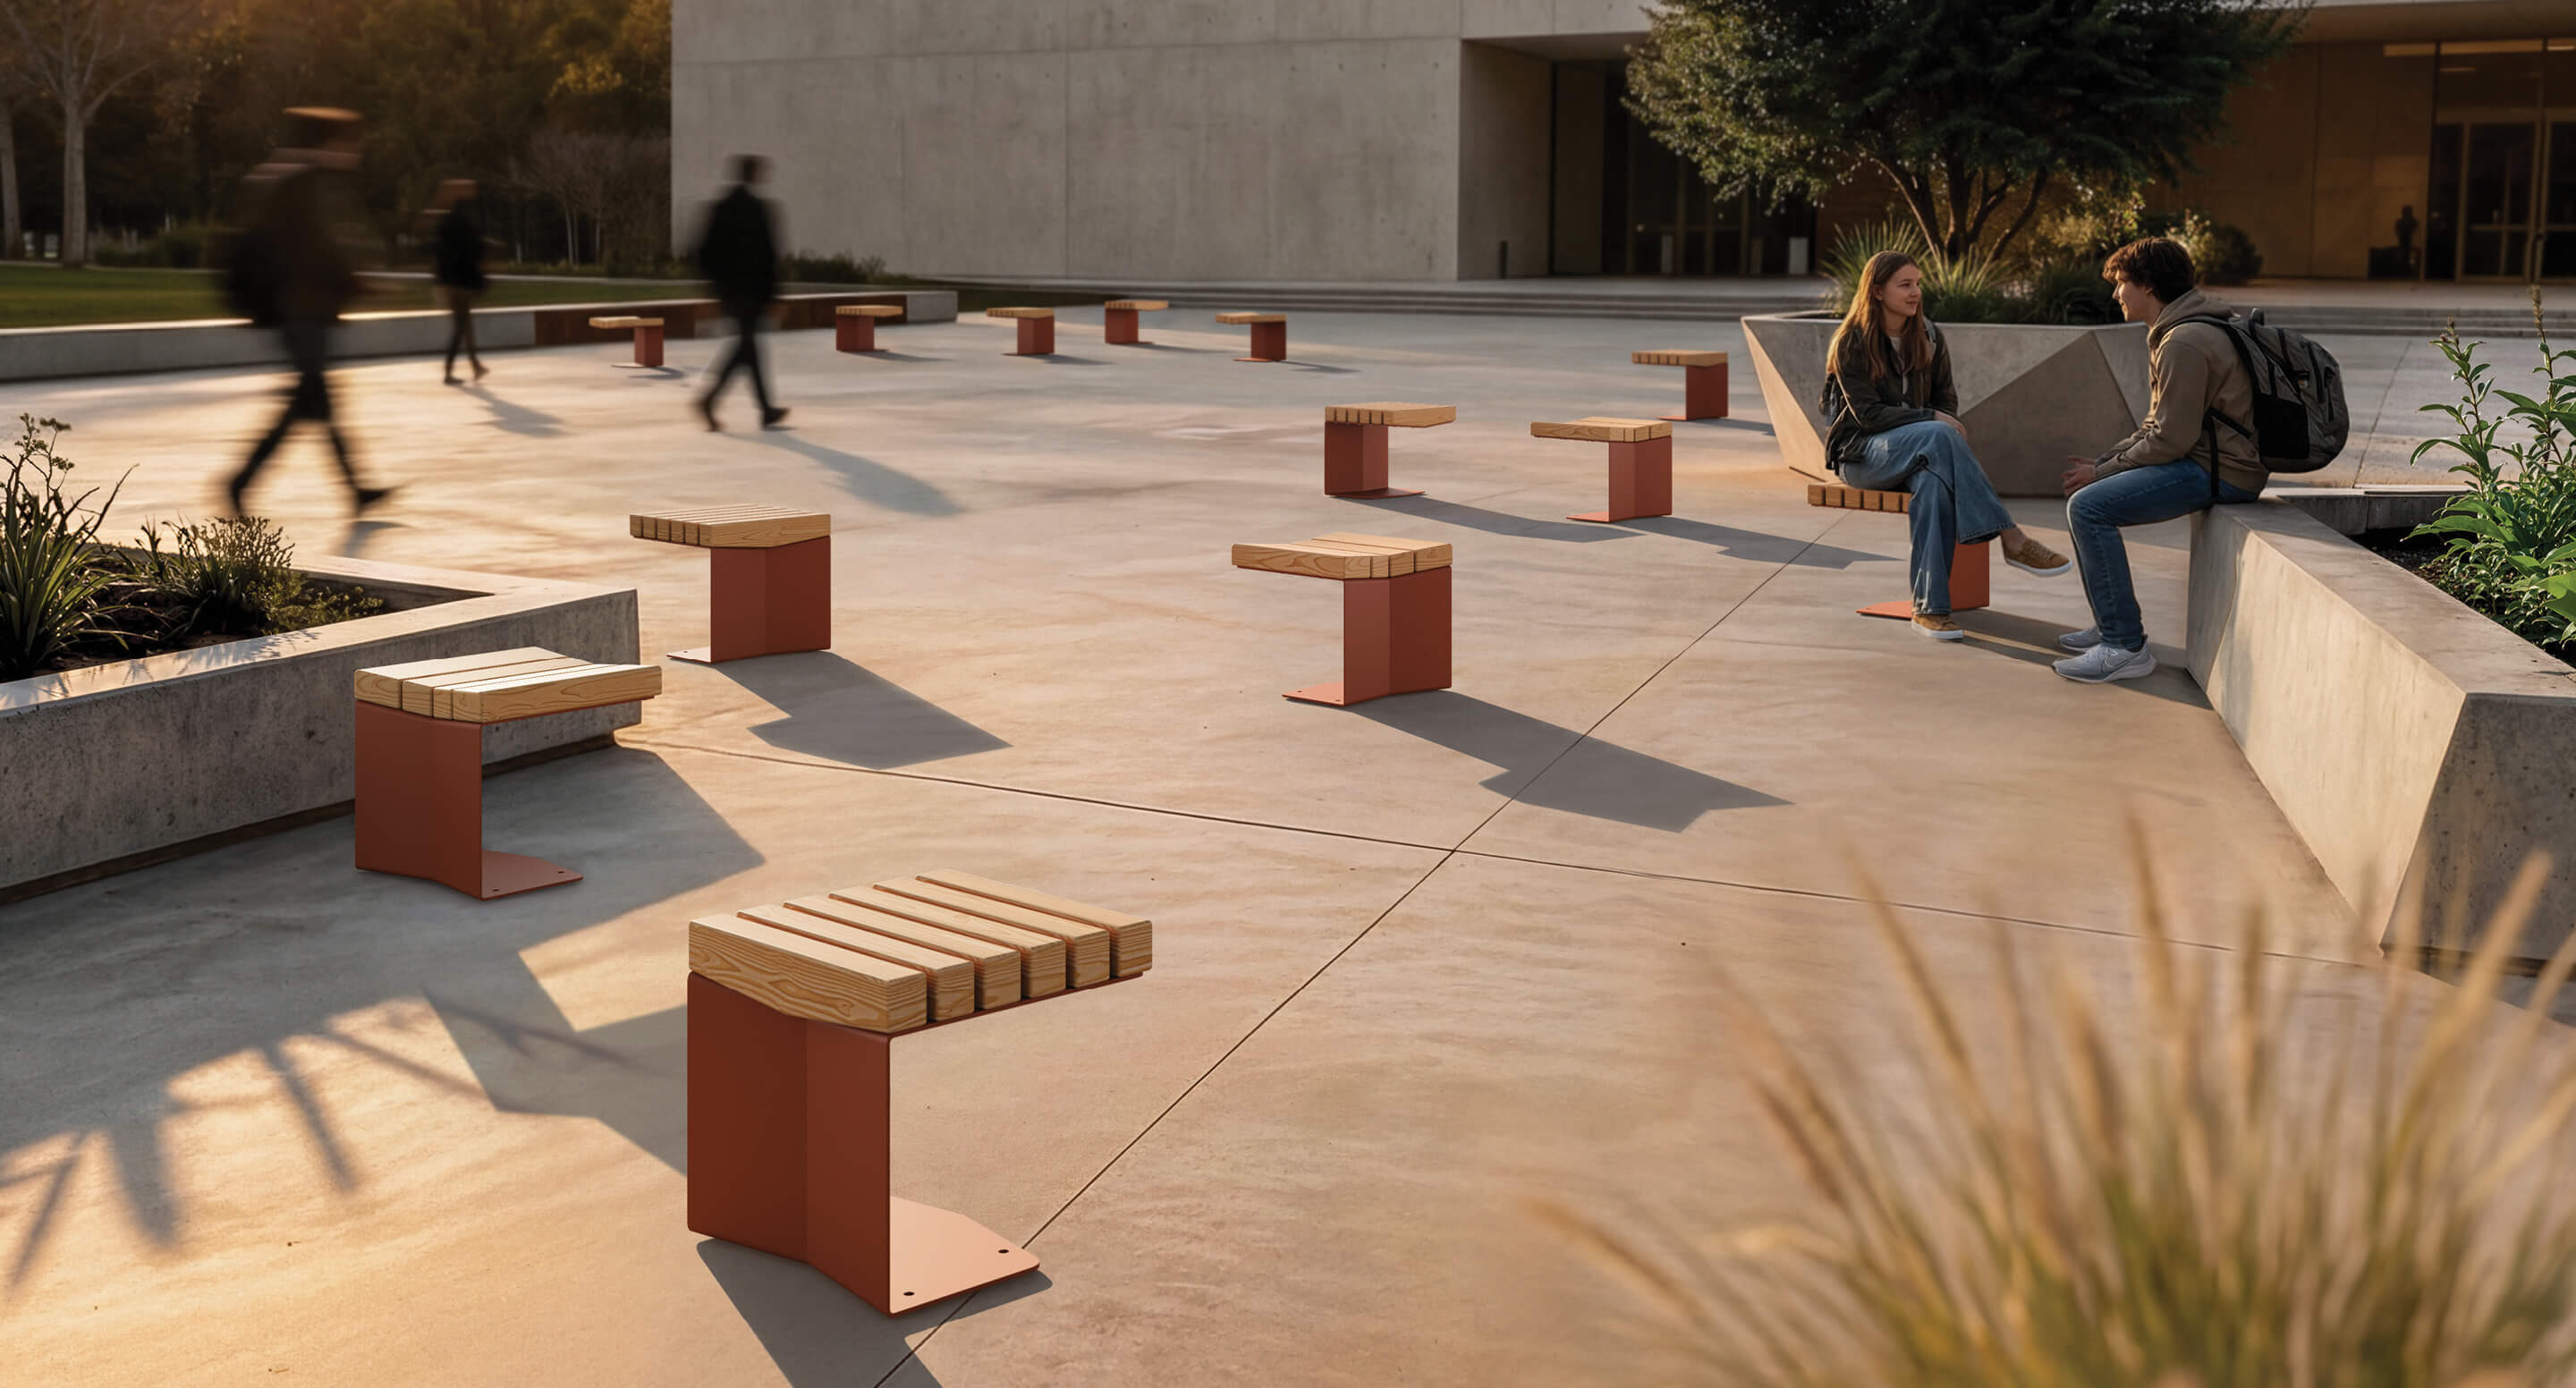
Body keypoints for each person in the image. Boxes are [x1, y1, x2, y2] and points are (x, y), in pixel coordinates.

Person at [1823, 250, 2071, 640]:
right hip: (1864, 456)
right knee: (1939, 433)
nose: (1915, 292)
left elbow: (1946, 401)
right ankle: (2012, 538)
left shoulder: (1929, 335)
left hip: (1920, 455)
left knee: (1934, 488)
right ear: (1877, 292)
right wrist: (1930, 421)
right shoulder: (1851, 341)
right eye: (1905, 285)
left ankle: (1930, 609)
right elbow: (1869, 416)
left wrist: (1935, 420)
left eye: (1917, 283)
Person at [2053, 236, 2265, 684]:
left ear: (2147, 285)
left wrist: (2104, 471)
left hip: (2223, 472)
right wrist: (2107, 460)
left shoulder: (2185, 341)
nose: (2116, 294)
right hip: (2212, 461)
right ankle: (2110, 624)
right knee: (2089, 497)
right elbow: (2159, 426)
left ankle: (2125, 646)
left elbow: (2171, 439)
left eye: (2121, 283)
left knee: (2088, 507)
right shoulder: (2180, 331)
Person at [223, 106, 394, 517]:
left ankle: (353, 489)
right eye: (350, 141)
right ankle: (241, 481)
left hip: (298, 309)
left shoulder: (287, 180)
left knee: (313, 401)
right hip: (302, 310)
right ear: (332, 142)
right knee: (311, 399)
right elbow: (318, 248)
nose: (355, 150)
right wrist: (357, 282)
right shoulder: (303, 184)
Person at [691, 154, 787, 430]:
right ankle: (710, 400)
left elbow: (702, 252)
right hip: (751, 292)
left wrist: (714, 287)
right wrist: (775, 295)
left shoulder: (721, 208)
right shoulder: (759, 209)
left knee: (748, 347)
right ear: (753, 175)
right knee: (747, 346)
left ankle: (764, 409)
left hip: (731, 292)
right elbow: (769, 257)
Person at [428, 178, 488, 385]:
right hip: (458, 284)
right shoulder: (461, 219)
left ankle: (475, 365)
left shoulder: (446, 220)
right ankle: (448, 369)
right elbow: (473, 250)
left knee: (465, 324)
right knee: (461, 326)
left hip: (450, 282)